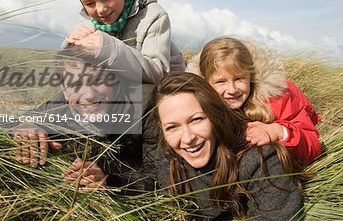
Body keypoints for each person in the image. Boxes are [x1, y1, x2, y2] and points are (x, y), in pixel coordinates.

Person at [63, 73, 303, 220]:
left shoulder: (258, 159)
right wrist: (108, 181)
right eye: (172, 127)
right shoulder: (171, 154)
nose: (187, 138)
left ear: (215, 115)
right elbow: (152, 182)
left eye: (196, 119)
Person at [63, 0, 185, 100]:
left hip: (165, 91)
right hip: (115, 91)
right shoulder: (86, 21)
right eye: (90, 3)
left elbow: (158, 73)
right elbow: (70, 70)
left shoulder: (154, 16)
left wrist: (109, 48)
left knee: (138, 96)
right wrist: (70, 46)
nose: (100, 9)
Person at [187, 37, 321, 166]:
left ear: (250, 76)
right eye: (221, 81)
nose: (232, 89)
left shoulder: (278, 95)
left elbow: (313, 146)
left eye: (239, 79)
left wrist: (278, 131)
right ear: (205, 81)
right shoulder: (196, 101)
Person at [14, 47, 141, 169]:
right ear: (63, 89)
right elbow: (31, 116)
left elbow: (155, 173)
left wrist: (110, 179)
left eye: (98, 80)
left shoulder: (143, 110)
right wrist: (27, 126)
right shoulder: (60, 106)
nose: (90, 95)